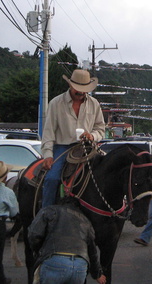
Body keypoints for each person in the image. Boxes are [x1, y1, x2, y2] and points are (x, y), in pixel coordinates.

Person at [41, 69, 106, 207]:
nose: (81, 92)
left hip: (88, 146)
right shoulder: (56, 103)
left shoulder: (94, 104)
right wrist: (47, 155)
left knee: (107, 172)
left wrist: (92, 135)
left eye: (84, 89)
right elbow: (48, 133)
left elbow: (100, 129)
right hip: (63, 147)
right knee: (52, 179)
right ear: (70, 85)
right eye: (78, 89)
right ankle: (45, 213)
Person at [28, 196, 106, 284]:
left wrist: (38, 251)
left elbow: (34, 234)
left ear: (61, 203)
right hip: (80, 267)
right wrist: (97, 274)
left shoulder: (50, 210)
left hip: (55, 262)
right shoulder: (85, 220)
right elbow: (92, 251)